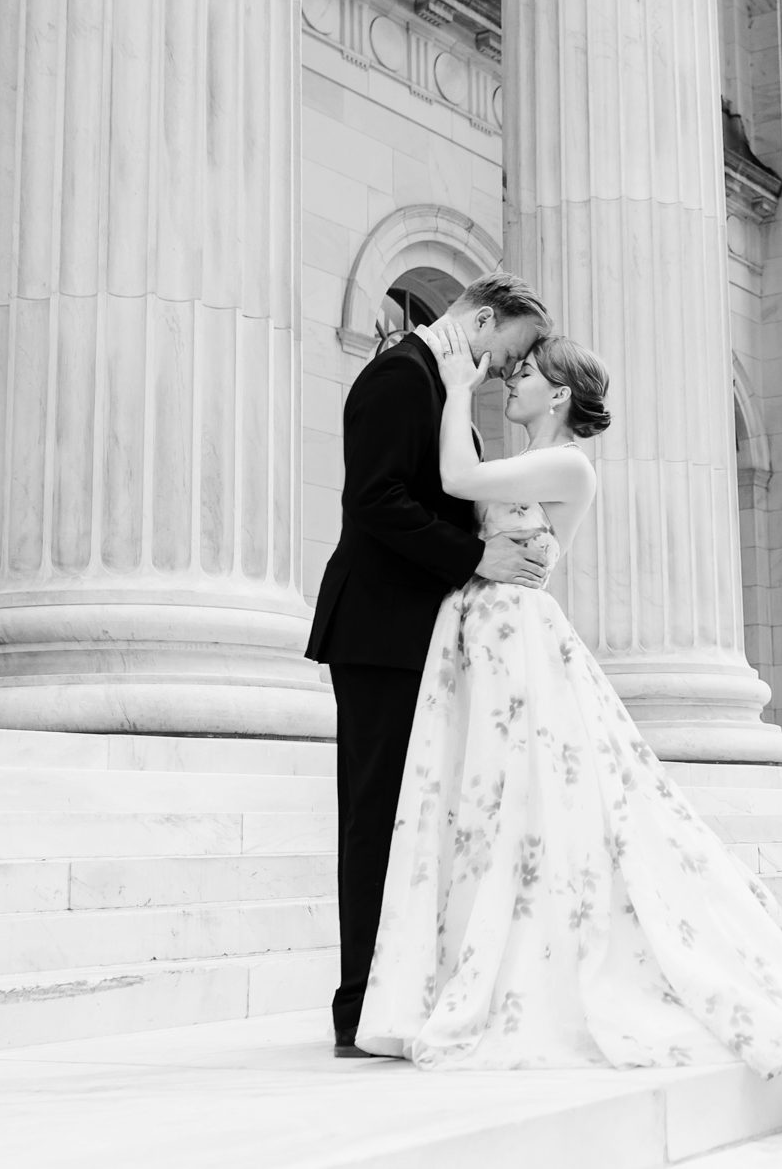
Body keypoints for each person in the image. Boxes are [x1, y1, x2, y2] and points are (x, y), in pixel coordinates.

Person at [353, 320, 782, 1117]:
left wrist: (450, 378)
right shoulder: (524, 463)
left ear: (561, 393)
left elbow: (454, 471)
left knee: (527, 809)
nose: (512, 380)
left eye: (526, 374)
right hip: (480, 642)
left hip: (518, 647)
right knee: (488, 812)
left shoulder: (569, 466)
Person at [306, 273, 552, 1055]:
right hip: (378, 634)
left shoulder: (437, 384)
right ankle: (357, 1008)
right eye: (505, 351)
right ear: (480, 318)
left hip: (417, 637)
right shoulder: (396, 375)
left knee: (414, 824)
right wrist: (478, 555)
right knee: (375, 819)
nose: (506, 371)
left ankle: (395, 994)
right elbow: (377, 499)